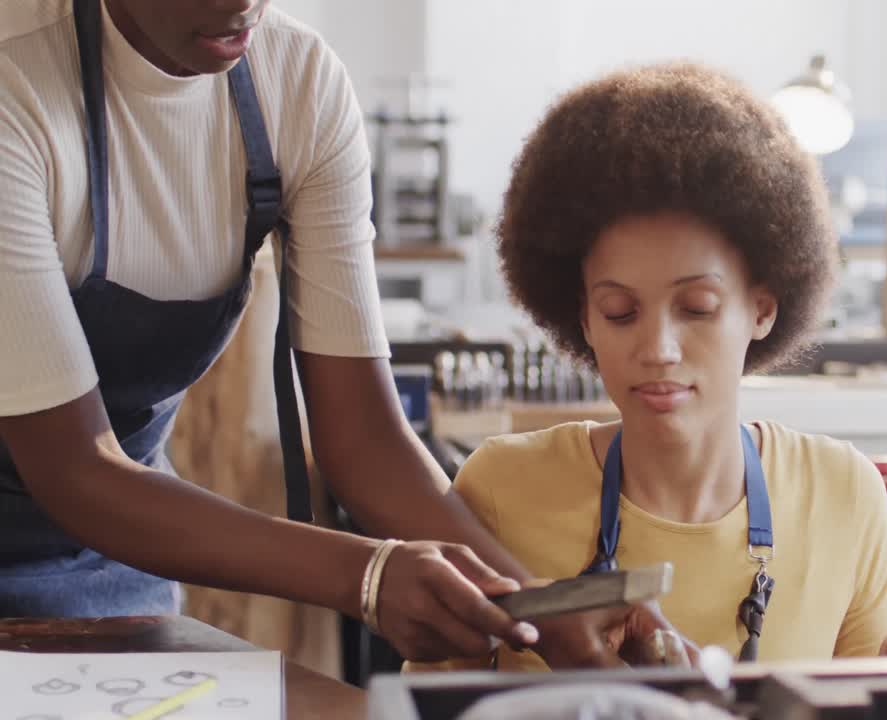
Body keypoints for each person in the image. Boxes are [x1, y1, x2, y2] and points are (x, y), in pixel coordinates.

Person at [0, 0, 675, 668]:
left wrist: (542, 612)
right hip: (93, 500)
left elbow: (364, 440)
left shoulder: (296, 84)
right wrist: (369, 575)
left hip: (117, 570)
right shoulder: (16, 78)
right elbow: (74, 469)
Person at [407, 62, 887, 672]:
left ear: (762, 308)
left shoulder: (842, 493)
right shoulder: (502, 489)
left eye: (697, 308)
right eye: (620, 311)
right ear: (583, 318)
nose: (658, 348)